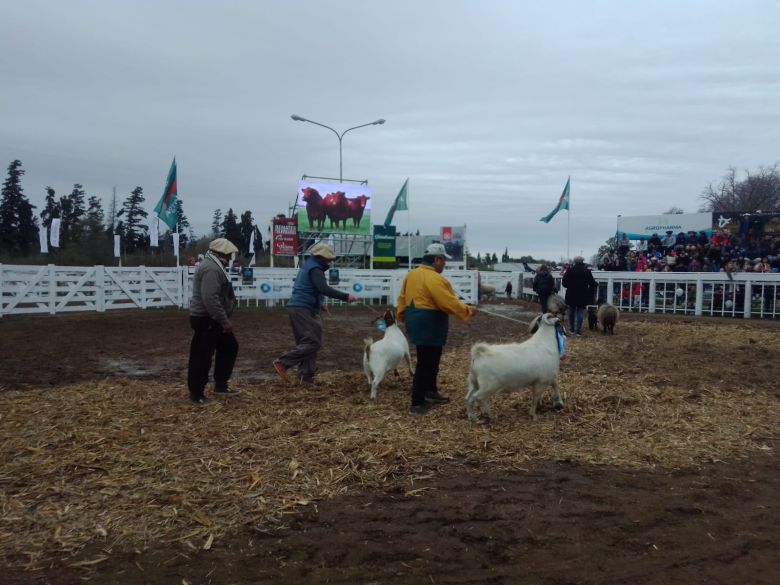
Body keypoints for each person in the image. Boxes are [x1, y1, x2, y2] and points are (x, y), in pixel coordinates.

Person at [397, 243, 476, 415]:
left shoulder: (412, 275)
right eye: (443, 261)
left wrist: (402, 316)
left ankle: (430, 392)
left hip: (416, 320)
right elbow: (447, 302)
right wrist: (467, 311)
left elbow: (402, 298)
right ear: (436, 260)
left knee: (432, 359)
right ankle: (416, 403)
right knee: (426, 362)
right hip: (429, 322)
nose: (444, 264)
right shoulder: (435, 279)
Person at [274, 242, 356, 384]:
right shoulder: (315, 269)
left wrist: (321, 302)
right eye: (329, 258)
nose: (330, 261)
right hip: (304, 308)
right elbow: (323, 288)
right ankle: (283, 362)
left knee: (307, 342)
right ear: (322, 257)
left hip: (300, 307)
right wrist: (345, 296)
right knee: (313, 342)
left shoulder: (310, 266)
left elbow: (314, 288)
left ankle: (305, 376)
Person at [187, 238, 241, 406]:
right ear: (222, 253)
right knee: (202, 356)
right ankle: (196, 394)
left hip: (210, 317)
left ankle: (220, 384)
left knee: (229, 347)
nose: (231, 256)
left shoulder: (213, 265)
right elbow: (210, 298)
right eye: (229, 253)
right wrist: (224, 321)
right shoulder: (212, 269)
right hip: (208, 318)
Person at [561, 256, 597, 336]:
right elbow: (592, 283)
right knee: (580, 311)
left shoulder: (570, 271)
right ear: (583, 261)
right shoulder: (587, 271)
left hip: (571, 294)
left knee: (571, 311)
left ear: (575, 261)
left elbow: (564, 283)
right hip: (582, 294)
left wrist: (570, 286)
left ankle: (571, 329)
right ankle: (578, 330)